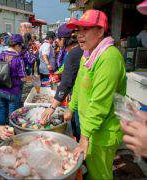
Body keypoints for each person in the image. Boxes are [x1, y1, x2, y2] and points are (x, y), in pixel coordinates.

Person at [64, 10, 126, 180]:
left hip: (102, 132)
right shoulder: (88, 54)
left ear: (100, 32)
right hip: (90, 129)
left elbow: (100, 103)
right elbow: (79, 85)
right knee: (91, 171)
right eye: (78, 30)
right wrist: (71, 108)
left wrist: (85, 137)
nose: (79, 35)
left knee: (100, 175)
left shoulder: (109, 57)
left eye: (85, 30)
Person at [40, 23, 83, 141]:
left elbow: (66, 83)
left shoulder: (73, 54)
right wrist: (58, 74)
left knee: (80, 131)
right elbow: (69, 69)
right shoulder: (79, 50)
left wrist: (52, 107)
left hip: (81, 100)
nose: (57, 41)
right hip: (78, 96)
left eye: (59, 39)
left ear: (65, 39)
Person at [0, 34, 26, 125]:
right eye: (21, 46)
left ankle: (2, 132)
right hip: (13, 91)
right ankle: (10, 135)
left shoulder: (1, 54)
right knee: (12, 115)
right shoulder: (18, 59)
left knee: (2, 110)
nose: (21, 49)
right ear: (17, 45)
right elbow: (23, 77)